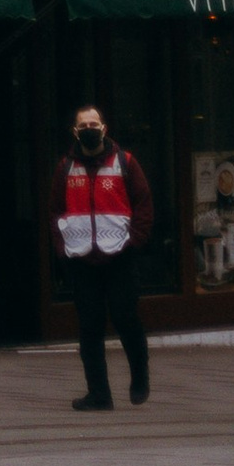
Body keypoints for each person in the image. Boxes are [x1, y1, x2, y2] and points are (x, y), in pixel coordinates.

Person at [53, 103, 152, 411]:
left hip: (120, 257)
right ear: (75, 131)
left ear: (104, 129)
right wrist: (63, 249)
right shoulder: (65, 168)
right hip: (83, 260)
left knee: (126, 319)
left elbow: (144, 205)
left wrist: (133, 243)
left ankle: (140, 378)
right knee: (90, 329)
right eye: (83, 126)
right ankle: (99, 395)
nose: (89, 129)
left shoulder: (126, 163)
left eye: (93, 124)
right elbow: (55, 211)